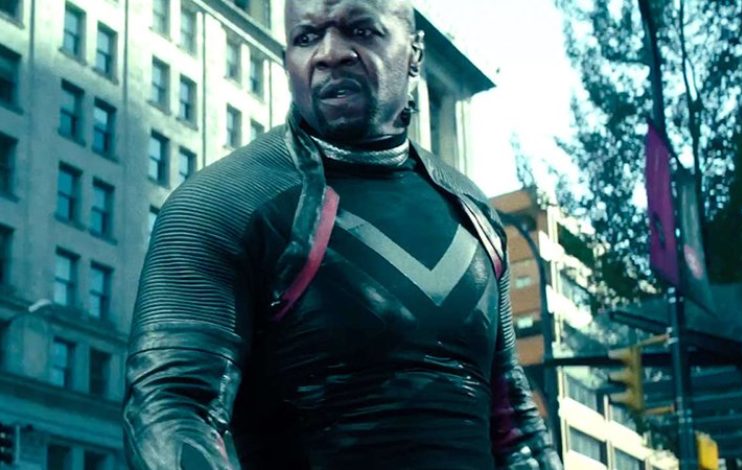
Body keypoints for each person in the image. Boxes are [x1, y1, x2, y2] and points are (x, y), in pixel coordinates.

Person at [122, 0, 563, 469]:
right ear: (287, 59)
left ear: (414, 54)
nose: (330, 53)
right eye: (306, 37)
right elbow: (170, 408)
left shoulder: (474, 211)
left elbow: (515, 425)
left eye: (361, 30)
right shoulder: (219, 203)